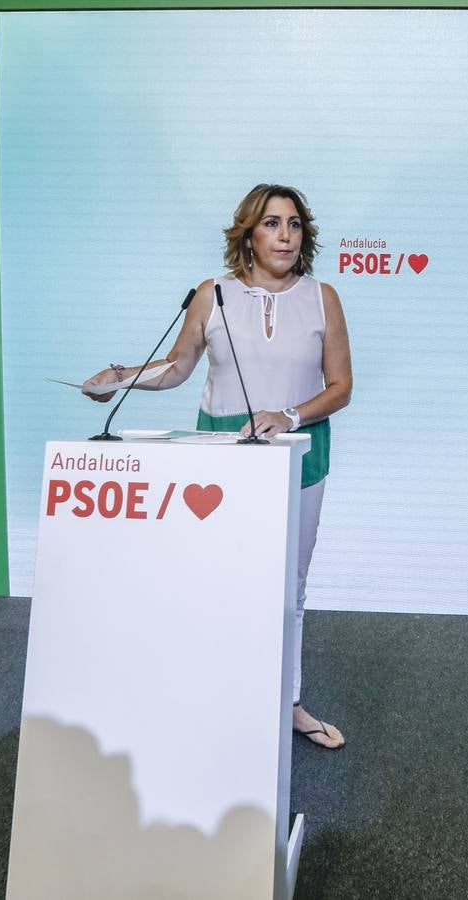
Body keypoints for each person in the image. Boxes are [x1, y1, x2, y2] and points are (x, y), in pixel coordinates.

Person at [84, 183, 352, 750]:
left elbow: (341, 388)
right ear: (249, 235)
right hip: (222, 459)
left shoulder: (322, 296)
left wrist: (289, 415)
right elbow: (179, 367)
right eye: (273, 224)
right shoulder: (214, 294)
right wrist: (121, 378)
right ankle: (218, 702)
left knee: (289, 590)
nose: (285, 235)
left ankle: (289, 704)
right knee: (221, 583)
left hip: (300, 453)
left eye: (295, 224)